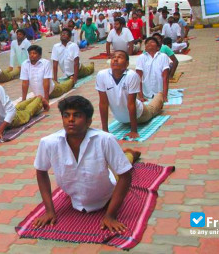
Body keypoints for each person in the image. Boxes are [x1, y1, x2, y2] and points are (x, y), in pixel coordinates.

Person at [32, 95, 141, 231]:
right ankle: (126, 154)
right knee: (116, 161)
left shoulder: (105, 140)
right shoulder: (48, 143)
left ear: (89, 121)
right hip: (75, 199)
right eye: (66, 115)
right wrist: (49, 210)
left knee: (122, 168)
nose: (70, 119)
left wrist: (110, 216)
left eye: (77, 115)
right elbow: (41, 172)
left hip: (106, 193)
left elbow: (125, 176)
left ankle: (131, 154)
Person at [96, 50, 164, 139]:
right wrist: (105, 130)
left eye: (120, 57)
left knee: (152, 109)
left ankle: (160, 95)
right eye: (113, 57)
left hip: (140, 115)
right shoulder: (102, 75)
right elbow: (103, 103)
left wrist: (134, 130)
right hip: (121, 119)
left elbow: (131, 104)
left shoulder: (131, 76)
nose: (115, 59)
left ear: (127, 64)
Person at [135, 37, 170, 102]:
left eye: (152, 42)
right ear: (145, 48)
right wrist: (141, 97)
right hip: (146, 92)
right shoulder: (141, 58)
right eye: (147, 43)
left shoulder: (163, 56)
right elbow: (138, 78)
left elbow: (165, 77)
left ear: (158, 47)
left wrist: (165, 96)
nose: (149, 44)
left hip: (160, 92)